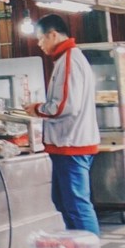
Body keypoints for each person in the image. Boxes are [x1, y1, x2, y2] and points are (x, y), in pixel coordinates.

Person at [24, 15, 100, 235]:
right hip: (69, 143)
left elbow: (64, 106)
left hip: (72, 144)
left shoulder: (69, 59)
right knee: (64, 202)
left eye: (41, 39)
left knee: (77, 206)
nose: (39, 44)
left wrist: (37, 108)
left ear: (53, 35)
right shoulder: (66, 59)